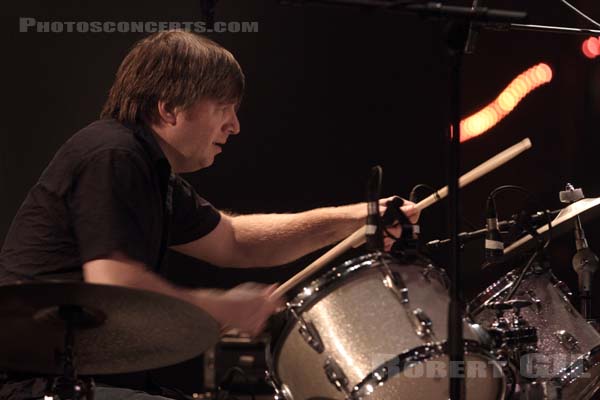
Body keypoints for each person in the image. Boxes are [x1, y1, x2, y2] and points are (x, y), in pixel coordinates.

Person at [0, 30, 419, 399]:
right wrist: (223, 307)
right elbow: (116, 284)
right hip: (38, 386)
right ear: (169, 109)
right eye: (223, 108)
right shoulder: (113, 154)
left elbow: (235, 240)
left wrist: (360, 217)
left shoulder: (149, 170)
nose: (234, 126)